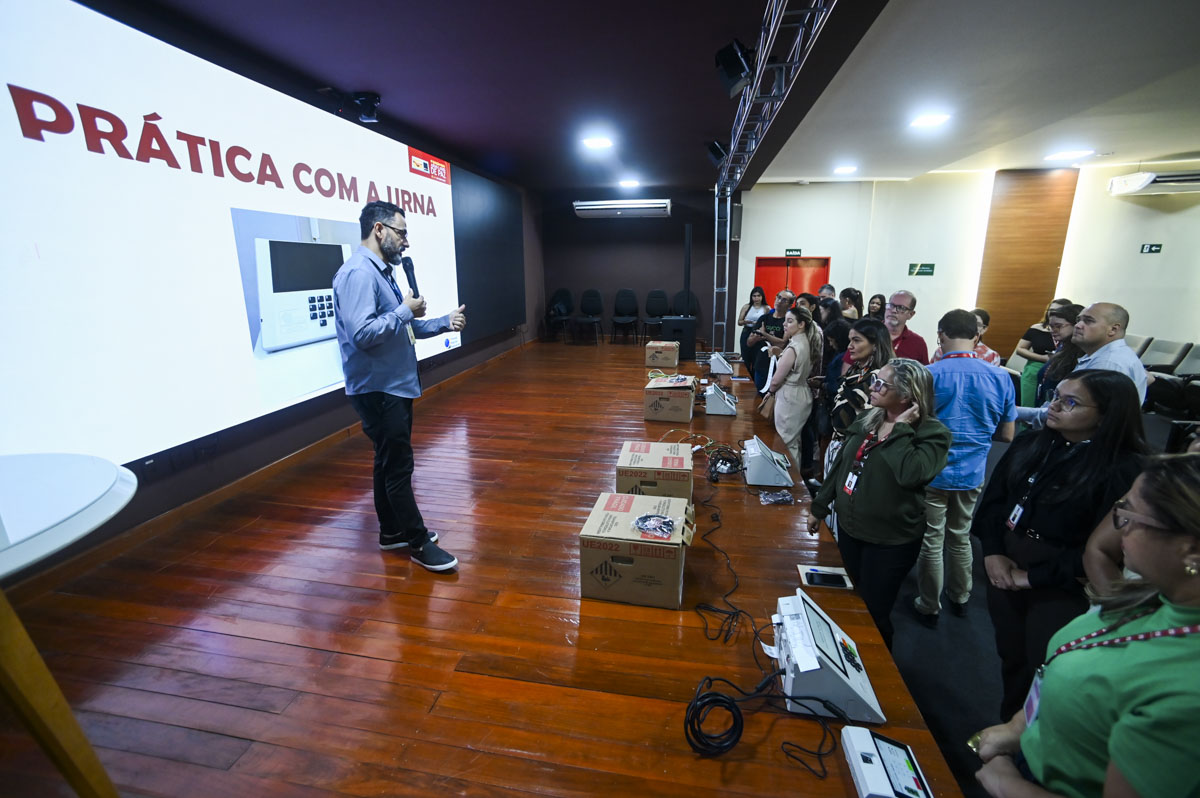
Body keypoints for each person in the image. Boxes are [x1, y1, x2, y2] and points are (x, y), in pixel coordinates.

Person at [973, 454, 1200, 798]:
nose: (1119, 524)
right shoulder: (1150, 596)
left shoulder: (1187, 693)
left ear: (1191, 551)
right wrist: (1018, 728)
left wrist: (1008, 786)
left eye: (1131, 515)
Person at [973, 370, 1148, 717]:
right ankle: (1010, 726)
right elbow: (993, 503)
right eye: (1055, 396)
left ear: (1106, 415)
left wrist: (1031, 577)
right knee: (1012, 656)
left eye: (1070, 403)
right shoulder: (1030, 444)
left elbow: (1102, 548)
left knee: (1045, 665)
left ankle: (1029, 739)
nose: (1054, 406)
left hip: (1061, 581)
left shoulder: (1123, 468)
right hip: (1006, 560)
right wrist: (992, 552)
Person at [333, 201, 466, 572]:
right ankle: (418, 542)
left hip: (392, 385)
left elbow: (402, 327)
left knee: (386, 461)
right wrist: (405, 310)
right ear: (379, 229)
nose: (406, 242)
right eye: (401, 233)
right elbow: (362, 334)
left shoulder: (381, 273)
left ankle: (391, 532)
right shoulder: (358, 274)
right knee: (398, 467)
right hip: (378, 389)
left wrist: (443, 322)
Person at [810, 358, 951, 648]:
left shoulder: (932, 434)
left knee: (874, 612)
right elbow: (842, 464)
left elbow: (910, 474)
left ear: (907, 395)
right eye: (875, 380)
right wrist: (820, 506)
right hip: (851, 530)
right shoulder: (869, 418)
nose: (872, 387)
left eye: (881, 384)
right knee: (851, 599)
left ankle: (877, 664)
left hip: (890, 541)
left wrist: (900, 429)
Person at [912, 310, 1017, 628]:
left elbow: (912, 426)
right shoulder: (1000, 377)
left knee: (931, 538)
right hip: (973, 470)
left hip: (932, 469)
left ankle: (929, 604)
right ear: (977, 335)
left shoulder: (927, 375)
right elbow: (1007, 435)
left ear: (940, 335)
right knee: (960, 536)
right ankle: (960, 597)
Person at [1016, 302, 1149, 429]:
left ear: (1113, 329)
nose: (1078, 325)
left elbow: (1081, 417)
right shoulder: (1097, 356)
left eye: (1088, 321)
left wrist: (1015, 412)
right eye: (1078, 320)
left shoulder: (1108, 363)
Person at [763, 306, 821, 468]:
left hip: (790, 395)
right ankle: (793, 477)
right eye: (785, 321)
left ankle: (786, 477)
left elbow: (776, 379)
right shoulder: (808, 342)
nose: (784, 324)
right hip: (803, 392)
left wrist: (770, 392)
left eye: (789, 321)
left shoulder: (794, 347)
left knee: (785, 442)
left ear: (801, 324)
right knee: (793, 441)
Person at [1015, 299, 1070, 406]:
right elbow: (1020, 349)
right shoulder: (1037, 328)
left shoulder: (1068, 332)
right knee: (1029, 406)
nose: (1053, 313)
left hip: (1058, 372)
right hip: (1034, 370)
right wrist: (1044, 358)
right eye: (1051, 310)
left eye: (1058, 310)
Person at [1034, 304, 1084, 405]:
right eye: (1051, 326)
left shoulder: (1080, 354)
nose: (1053, 330)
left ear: (1076, 325)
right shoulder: (1062, 348)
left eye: (1058, 326)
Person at [747, 289, 794, 391]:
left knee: (773, 395)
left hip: (779, 366)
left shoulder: (788, 321)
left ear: (790, 305)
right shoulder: (764, 318)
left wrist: (764, 334)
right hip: (761, 363)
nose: (779, 301)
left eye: (784, 300)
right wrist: (756, 338)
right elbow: (749, 342)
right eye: (779, 297)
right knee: (759, 394)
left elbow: (782, 343)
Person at [930, 308, 1001, 364]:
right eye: (970, 323)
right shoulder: (940, 351)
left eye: (977, 324)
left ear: (984, 329)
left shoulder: (991, 355)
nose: (973, 327)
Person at [881, 290, 929, 364]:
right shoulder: (869, 332)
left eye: (901, 308)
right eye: (891, 305)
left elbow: (923, 371)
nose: (893, 310)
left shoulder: (918, 343)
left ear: (911, 314)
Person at [737, 286, 769, 376]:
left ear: (762, 297)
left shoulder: (766, 308)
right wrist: (747, 322)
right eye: (754, 296)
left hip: (758, 334)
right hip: (747, 331)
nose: (756, 298)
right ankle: (745, 376)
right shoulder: (746, 307)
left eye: (758, 296)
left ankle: (755, 378)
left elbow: (768, 322)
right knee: (746, 357)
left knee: (757, 357)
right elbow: (739, 322)